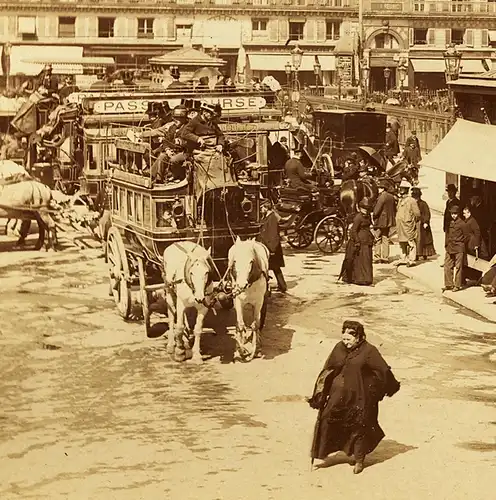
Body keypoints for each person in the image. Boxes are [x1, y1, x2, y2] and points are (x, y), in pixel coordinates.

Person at [308, 320, 400, 474]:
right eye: (344, 339)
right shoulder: (339, 347)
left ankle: (359, 460)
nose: (346, 343)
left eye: (349, 340)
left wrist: (376, 391)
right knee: (327, 418)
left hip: (360, 397)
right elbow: (328, 370)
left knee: (359, 426)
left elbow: (383, 371)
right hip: (338, 396)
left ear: (358, 337)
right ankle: (322, 453)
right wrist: (321, 393)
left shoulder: (369, 351)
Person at [339, 198, 374, 286]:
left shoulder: (368, 216)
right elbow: (354, 230)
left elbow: (370, 226)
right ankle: (358, 279)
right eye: (364, 208)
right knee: (359, 261)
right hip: (360, 241)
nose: (365, 210)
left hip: (367, 240)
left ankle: (366, 279)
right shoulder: (358, 218)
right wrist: (357, 241)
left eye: (367, 209)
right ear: (360, 208)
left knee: (366, 260)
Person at [257, 200, 287, 292]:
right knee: (274, 267)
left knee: (273, 267)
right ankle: (282, 286)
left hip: (271, 248)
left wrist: (272, 249)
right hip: (267, 247)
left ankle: (281, 286)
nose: (261, 210)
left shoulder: (272, 218)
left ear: (266, 207)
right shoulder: (266, 217)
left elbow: (274, 235)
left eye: (262, 208)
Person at [443, 205, 468, 292]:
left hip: (458, 248)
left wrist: (460, 242)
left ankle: (457, 285)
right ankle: (448, 284)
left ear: (458, 214)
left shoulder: (462, 224)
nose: (453, 215)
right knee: (447, 266)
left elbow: (467, 236)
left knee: (458, 267)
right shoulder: (450, 223)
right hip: (450, 247)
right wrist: (446, 245)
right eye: (452, 214)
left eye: (455, 214)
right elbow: (447, 234)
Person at [395, 181, 420, 267]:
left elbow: (417, 214)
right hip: (400, 225)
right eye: (400, 188)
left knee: (410, 242)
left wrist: (411, 220)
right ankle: (403, 257)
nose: (401, 190)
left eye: (403, 189)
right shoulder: (400, 200)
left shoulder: (411, 200)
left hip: (408, 225)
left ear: (406, 190)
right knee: (402, 242)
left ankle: (412, 259)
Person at [372, 180, 396, 263]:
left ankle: (377, 257)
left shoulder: (381, 197)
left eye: (379, 188)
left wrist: (374, 215)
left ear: (383, 189)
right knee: (385, 238)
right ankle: (385, 257)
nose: (378, 189)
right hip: (388, 221)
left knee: (377, 238)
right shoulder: (391, 197)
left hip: (380, 221)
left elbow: (377, 210)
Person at [410, 187, 436, 261]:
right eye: (414, 197)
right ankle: (416, 255)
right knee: (415, 239)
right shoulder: (412, 203)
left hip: (422, 224)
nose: (415, 198)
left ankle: (424, 254)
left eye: (416, 196)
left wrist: (426, 222)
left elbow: (427, 214)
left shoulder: (423, 204)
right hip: (414, 223)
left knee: (423, 240)